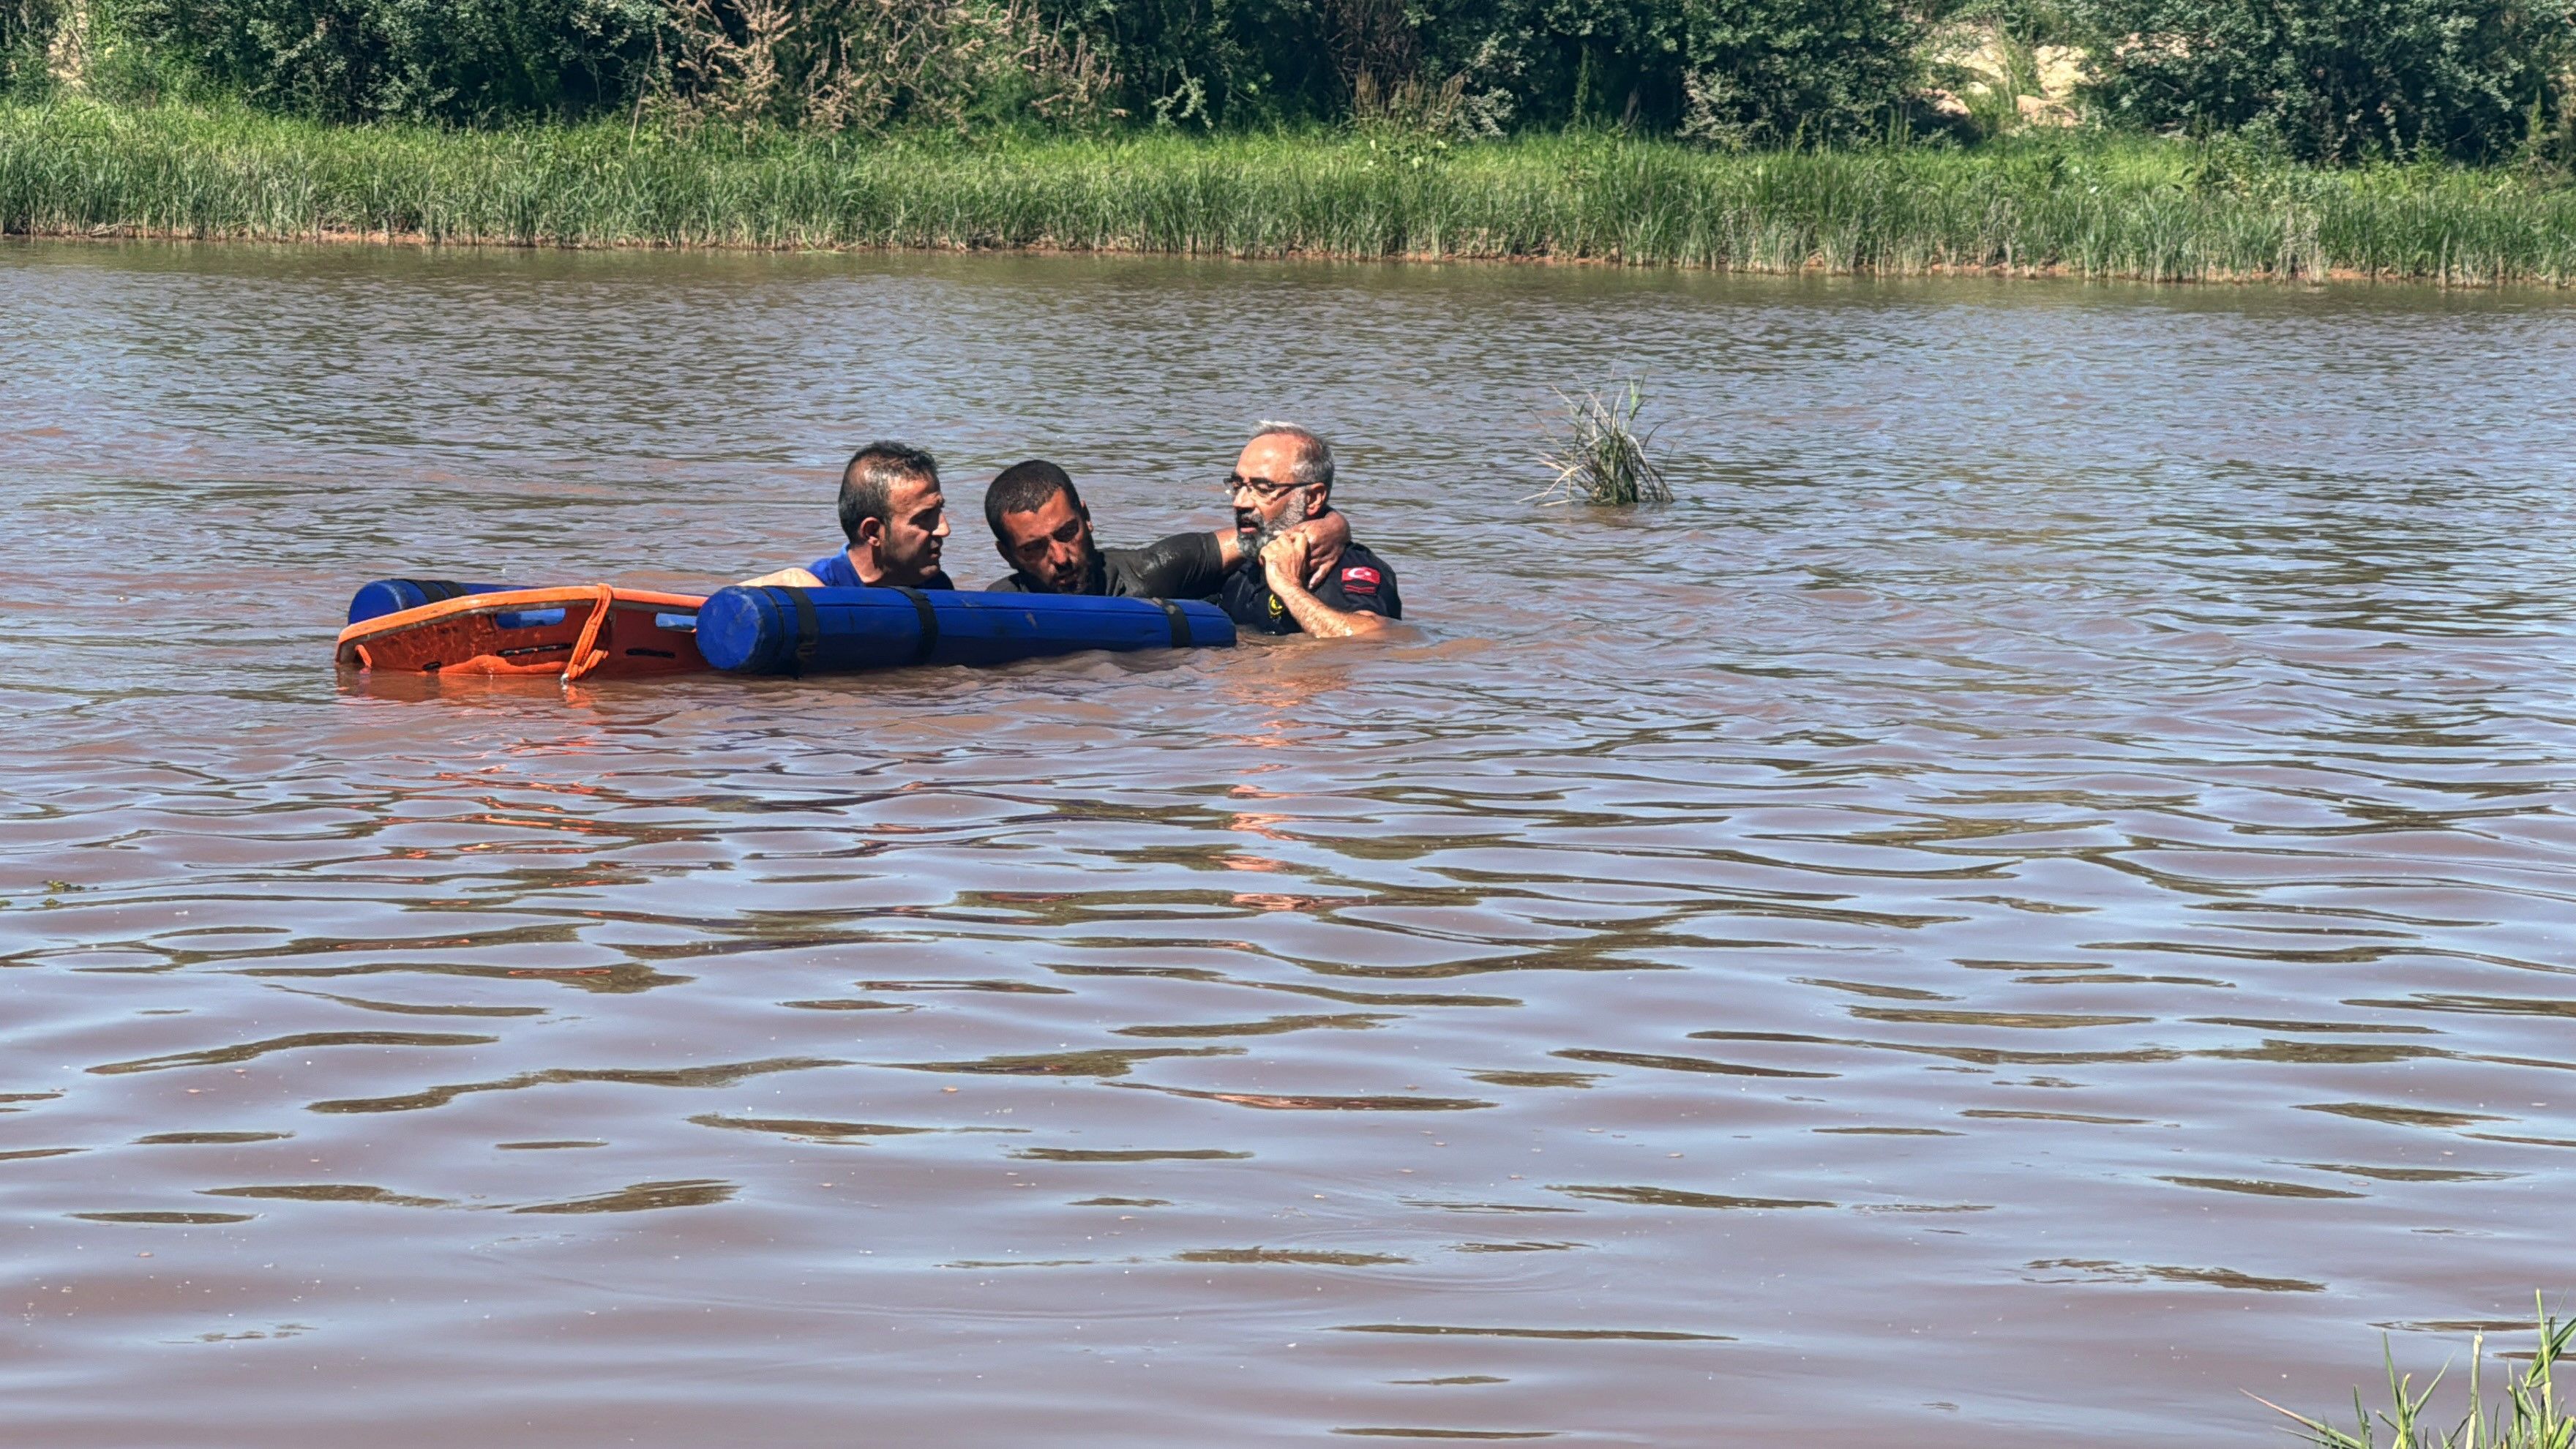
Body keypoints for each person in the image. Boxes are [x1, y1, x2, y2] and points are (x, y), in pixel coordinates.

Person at [980, 458, 1347, 598]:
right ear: (1007, 555)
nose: (1060, 558)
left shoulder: (1153, 570)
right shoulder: (996, 606)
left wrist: (1332, 525)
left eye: (1067, 534)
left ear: (1087, 519)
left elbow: (1258, 539)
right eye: (1033, 549)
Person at [1217, 424, 1399, 638]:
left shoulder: (1350, 568)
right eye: (1237, 486)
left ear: (1312, 498)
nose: (1240, 502)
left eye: (1263, 489)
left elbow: (1373, 638)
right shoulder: (1240, 568)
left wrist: (1289, 587)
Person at [741, 441, 954, 590]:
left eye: (939, 511)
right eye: (923, 517)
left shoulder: (936, 587)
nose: (944, 529)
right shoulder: (813, 592)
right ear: (872, 532)